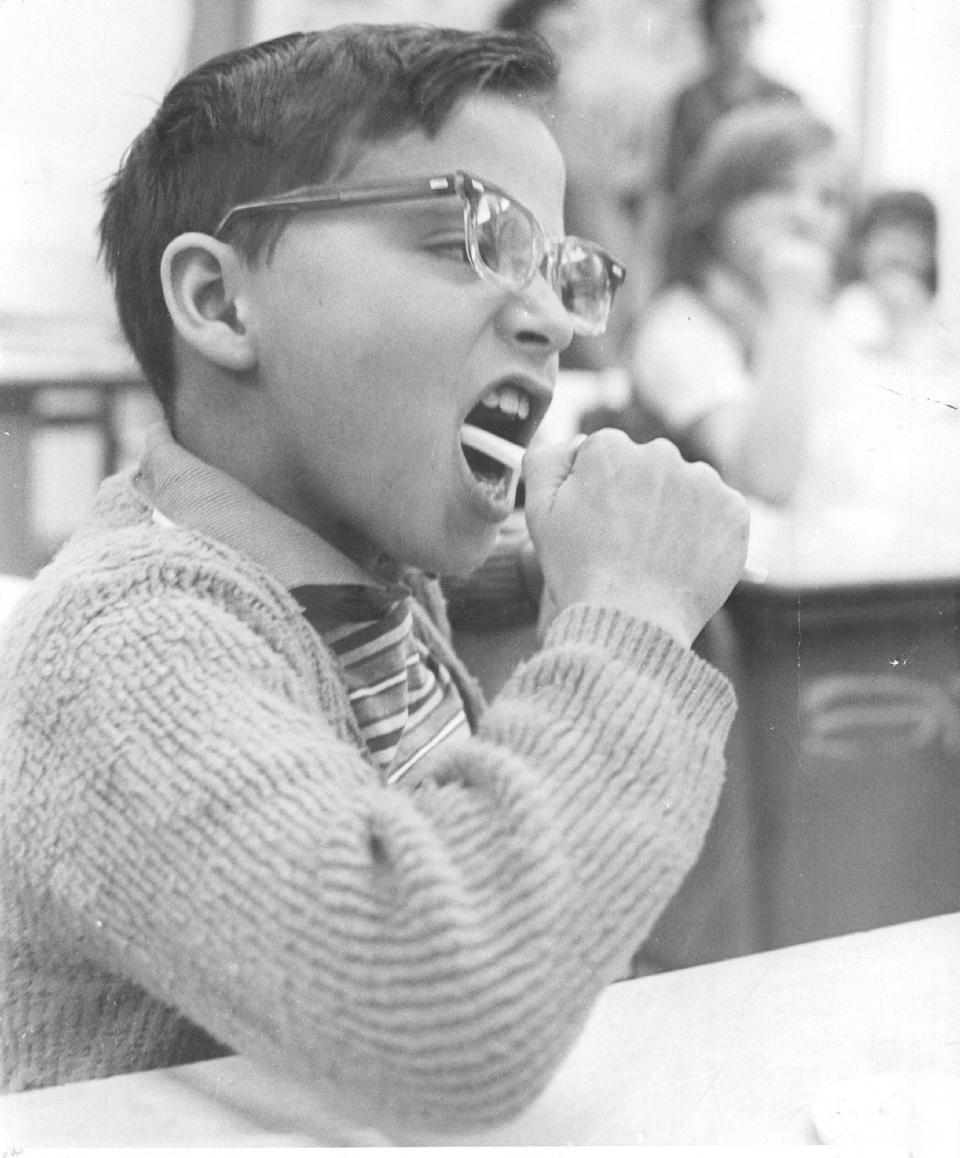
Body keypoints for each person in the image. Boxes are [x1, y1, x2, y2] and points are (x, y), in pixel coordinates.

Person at [0, 24, 749, 1136]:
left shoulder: (362, 582)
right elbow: (442, 1008)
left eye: (562, 270)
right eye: (468, 237)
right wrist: (626, 617)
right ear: (218, 301)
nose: (549, 319)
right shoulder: (121, 643)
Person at [630, 101, 850, 506]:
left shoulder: (821, 322)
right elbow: (767, 481)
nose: (806, 215)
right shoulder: (678, 324)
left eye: (828, 198)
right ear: (720, 203)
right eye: (780, 186)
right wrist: (791, 306)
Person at [663, 0, 801, 194]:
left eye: (747, 24)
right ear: (710, 31)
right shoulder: (690, 101)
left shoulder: (783, 99)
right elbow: (674, 181)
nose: (741, 36)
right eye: (731, 26)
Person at [834, 188, 960, 377]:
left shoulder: (938, 314)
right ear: (862, 248)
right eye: (888, 236)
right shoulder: (852, 303)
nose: (899, 249)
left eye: (913, 239)